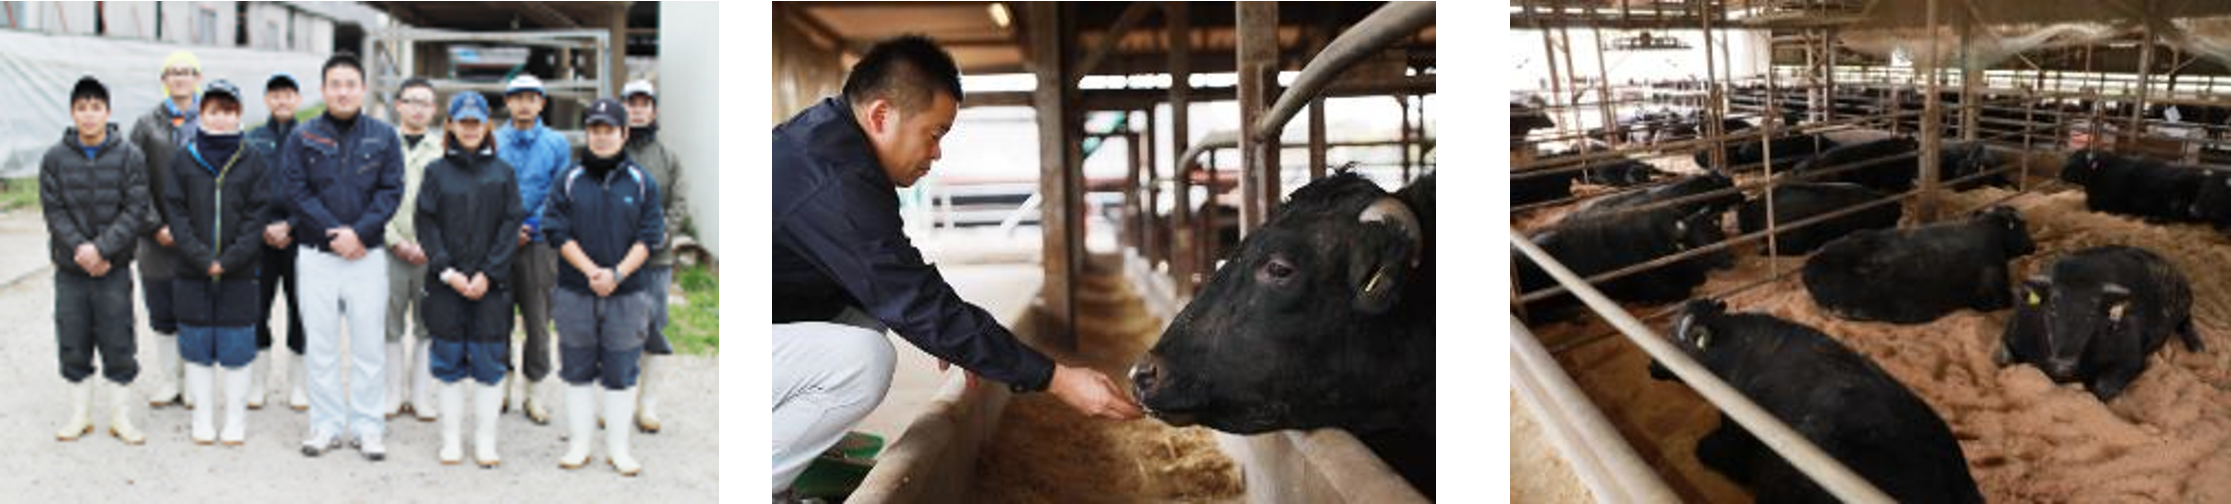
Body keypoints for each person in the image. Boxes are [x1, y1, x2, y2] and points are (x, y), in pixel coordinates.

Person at [769, 35, 1142, 495]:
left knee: (874, 319)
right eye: (935, 133)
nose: (938, 152)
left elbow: (900, 279)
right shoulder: (835, 178)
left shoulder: (834, 148)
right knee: (862, 360)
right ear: (882, 115)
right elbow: (912, 297)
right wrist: (1058, 379)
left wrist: (956, 337)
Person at [277, 52, 404, 461]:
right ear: (323, 90)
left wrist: (359, 233)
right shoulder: (304, 137)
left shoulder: (383, 136)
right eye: (336, 84)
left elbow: (391, 191)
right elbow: (297, 192)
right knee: (322, 345)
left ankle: (369, 427)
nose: (344, 91)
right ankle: (326, 425)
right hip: (317, 256)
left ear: (363, 89)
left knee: (368, 346)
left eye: (351, 84)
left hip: (367, 257)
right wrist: (337, 234)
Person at [546, 98, 660, 476]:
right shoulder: (569, 178)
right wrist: (594, 271)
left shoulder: (643, 182)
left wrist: (617, 275)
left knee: (622, 369)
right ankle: (579, 445)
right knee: (575, 367)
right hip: (575, 290)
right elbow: (556, 230)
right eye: (595, 129)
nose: (601, 136)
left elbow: (650, 235)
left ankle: (618, 448)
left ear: (624, 134)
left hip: (627, 293)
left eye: (609, 129)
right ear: (587, 133)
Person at [41, 75, 156, 446]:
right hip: (71, 267)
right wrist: (82, 250)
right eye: (81, 108)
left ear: (108, 112)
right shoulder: (55, 158)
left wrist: (103, 250)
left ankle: (120, 417)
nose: (89, 116)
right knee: (72, 338)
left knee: (118, 338)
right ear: (72, 113)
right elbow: (54, 211)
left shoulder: (130, 156)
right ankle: (81, 415)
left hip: (113, 268)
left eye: (96, 108)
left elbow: (135, 208)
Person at [416, 91, 525, 467]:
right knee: (447, 360)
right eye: (462, 122)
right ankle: (450, 440)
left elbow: (511, 225)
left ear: (486, 125)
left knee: (489, 362)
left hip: (491, 287)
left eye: (476, 122)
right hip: (447, 285)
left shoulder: (503, 173)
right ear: (450, 125)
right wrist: (447, 270)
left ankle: (485, 441)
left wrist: (488, 273)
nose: (469, 129)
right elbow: (426, 223)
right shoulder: (435, 172)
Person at [163, 80, 272, 446]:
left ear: (238, 114)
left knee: (237, 346)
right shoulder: (184, 158)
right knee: (196, 344)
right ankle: (203, 418)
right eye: (214, 110)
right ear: (202, 113)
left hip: (239, 271)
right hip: (191, 270)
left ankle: (235, 420)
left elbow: (258, 214)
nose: (221, 118)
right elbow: (175, 211)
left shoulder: (253, 159)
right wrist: (199, 256)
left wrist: (228, 260)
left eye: (228, 110)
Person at [494, 74, 568, 424]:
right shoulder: (493, 139)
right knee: (498, 316)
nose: (524, 104)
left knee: (538, 320)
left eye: (531, 97)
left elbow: (559, 192)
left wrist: (533, 225)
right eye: (517, 97)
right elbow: (487, 187)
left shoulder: (557, 144)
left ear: (542, 103)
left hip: (540, 244)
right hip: (499, 243)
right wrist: (508, 230)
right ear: (507, 102)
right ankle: (502, 387)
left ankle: (534, 392)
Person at [131, 50, 201, 409]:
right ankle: (169, 380)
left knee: (193, 307)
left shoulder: (210, 120)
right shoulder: (147, 125)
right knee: (161, 310)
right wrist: (154, 225)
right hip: (155, 238)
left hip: (197, 236)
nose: (179, 78)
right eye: (172, 72)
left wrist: (192, 228)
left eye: (186, 72)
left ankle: (192, 380)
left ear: (197, 79)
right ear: (164, 80)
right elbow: (133, 180)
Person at [620, 78, 685, 434]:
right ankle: (620, 398)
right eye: (632, 103)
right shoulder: (610, 152)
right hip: (615, 258)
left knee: (654, 328)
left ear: (653, 110)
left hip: (656, 260)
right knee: (616, 329)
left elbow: (678, 201)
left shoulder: (667, 157)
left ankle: (647, 405)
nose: (638, 109)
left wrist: (665, 231)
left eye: (644, 104)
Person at [245, 71, 310, 412]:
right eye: (275, 95)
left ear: (298, 100)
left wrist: (292, 225)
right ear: (267, 100)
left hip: (300, 239)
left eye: (288, 94)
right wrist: (265, 226)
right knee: (258, 310)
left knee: (301, 311)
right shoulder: (253, 140)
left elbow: (317, 189)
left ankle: (297, 386)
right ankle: (258, 384)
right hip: (260, 239)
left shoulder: (311, 137)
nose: (282, 100)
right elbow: (245, 190)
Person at [386, 77, 443, 421]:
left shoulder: (441, 150)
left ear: (434, 110)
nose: (418, 108)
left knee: (427, 323)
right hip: (389, 246)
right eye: (412, 101)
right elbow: (371, 197)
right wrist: (394, 240)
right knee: (388, 323)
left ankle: (420, 395)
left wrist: (427, 244)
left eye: (425, 103)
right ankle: (392, 393)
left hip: (429, 251)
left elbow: (448, 204)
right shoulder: (382, 144)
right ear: (399, 105)